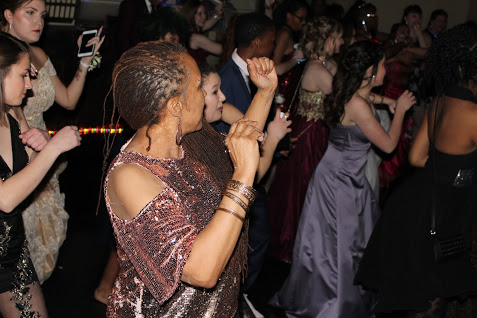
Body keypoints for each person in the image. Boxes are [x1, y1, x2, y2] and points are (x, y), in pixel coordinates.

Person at [104, 41, 277, 316]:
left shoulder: (190, 141)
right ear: (175, 105)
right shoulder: (130, 175)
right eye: (199, 86)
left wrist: (265, 93)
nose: (206, 95)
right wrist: (244, 174)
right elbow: (200, 270)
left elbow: (240, 146)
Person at [270, 40, 415, 317]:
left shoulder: (349, 92)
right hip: (340, 181)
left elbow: (368, 98)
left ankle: (335, 295)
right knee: (340, 245)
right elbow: (387, 146)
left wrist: (388, 101)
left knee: (341, 242)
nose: (387, 69)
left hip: (341, 174)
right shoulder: (357, 103)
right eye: (383, 64)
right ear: (371, 70)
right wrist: (402, 111)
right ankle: (334, 303)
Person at [356, 21, 477, 318]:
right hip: (449, 210)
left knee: (421, 293)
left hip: (418, 201)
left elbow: (416, 157)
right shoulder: (474, 113)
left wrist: (449, 168)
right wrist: (461, 175)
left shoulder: (439, 101)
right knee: (435, 292)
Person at [1, 0, 104, 284]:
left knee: (47, 235)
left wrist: (84, 63)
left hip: (43, 150)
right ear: (9, 14)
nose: (39, 22)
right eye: (30, 13)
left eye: (43, 16)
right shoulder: (3, 61)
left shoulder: (38, 55)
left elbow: (69, 100)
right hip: (14, 153)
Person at [0, 31, 81, 317]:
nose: (29, 84)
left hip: (11, 253)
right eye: (23, 75)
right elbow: (5, 198)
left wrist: (38, 148)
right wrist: (53, 149)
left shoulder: (11, 116)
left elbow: (21, 173)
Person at [267, 16, 343, 264]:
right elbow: (342, 96)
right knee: (302, 186)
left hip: (315, 130)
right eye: (339, 37)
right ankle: (296, 240)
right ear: (328, 39)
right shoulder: (317, 68)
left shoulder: (318, 63)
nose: (342, 42)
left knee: (302, 184)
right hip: (310, 133)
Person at [271, 0, 308, 111]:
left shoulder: (289, 33)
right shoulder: (285, 34)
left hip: (289, 87)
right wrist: (277, 97)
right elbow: (274, 67)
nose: (303, 22)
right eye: (300, 18)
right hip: (283, 88)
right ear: (288, 16)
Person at [182, 0, 223, 64]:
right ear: (191, 15)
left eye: (204, 13)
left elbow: (207, 24)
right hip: (197, 72)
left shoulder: (189, 29)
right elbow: (221, 50)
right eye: (200, 14)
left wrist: (217, 14)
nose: (204, 16)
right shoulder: (195, 38)